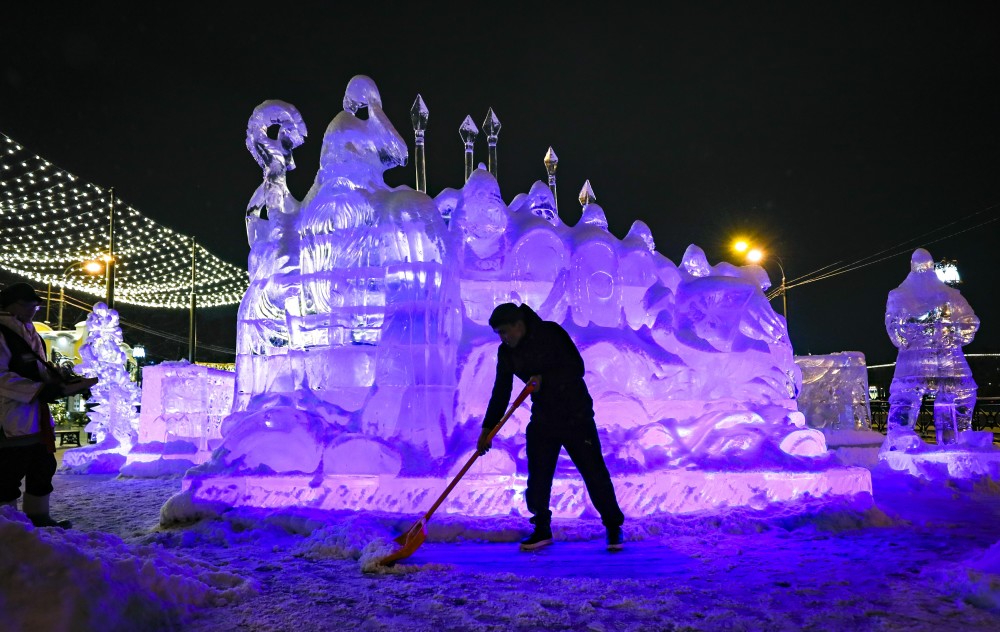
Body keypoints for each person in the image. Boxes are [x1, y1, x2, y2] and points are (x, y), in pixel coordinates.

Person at [477, 302, 625, 551]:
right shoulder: (507, 352)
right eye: (499, 334)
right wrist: (487, 429)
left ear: (519, 324)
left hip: (575, 414)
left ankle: (613, 526)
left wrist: (545, 378)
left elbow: (576, 368)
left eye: (505, 331)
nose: (503, 338)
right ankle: (542, 529)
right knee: (538, 476)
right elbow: (501, 391)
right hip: (544, 416)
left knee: (593, 472)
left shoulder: (551, 333)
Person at [0, 282, 97, 528]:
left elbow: (39, 371)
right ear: (11, 305)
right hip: (9, 418)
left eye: (35, 306)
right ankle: (9, 527)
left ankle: (38, 519)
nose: (33, 311)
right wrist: (40, 390)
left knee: (43, 467)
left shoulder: (29, 331)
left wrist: (63, 382)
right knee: (7, 474)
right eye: (28, 305)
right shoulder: (3, 332)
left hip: (37, 418)